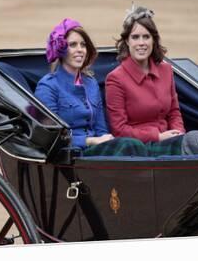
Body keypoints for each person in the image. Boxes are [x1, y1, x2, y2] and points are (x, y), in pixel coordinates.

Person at [105, 5, 198, 155]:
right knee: (194, 139)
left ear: (154, 40)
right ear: (126, 41)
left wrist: (178, 132)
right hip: (142, 148)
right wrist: (158, 136)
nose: (141, 43)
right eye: (135, 37)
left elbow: (174, 112)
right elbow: (119, 129)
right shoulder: (116, 79)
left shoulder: (166, 70)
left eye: (146, 37)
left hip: (171, 139)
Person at [35, 18, 148, 157]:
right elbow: (50, 137)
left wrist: (106, 141)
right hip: (71, 155)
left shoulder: (91, 83)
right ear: (61, 49)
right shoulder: (48, 86)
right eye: (73, 45)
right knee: (130, 145)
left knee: (134, 144)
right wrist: (91, 141)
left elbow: (101, 129)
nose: (80, 50)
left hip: (96, 151)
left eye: (83, 45)